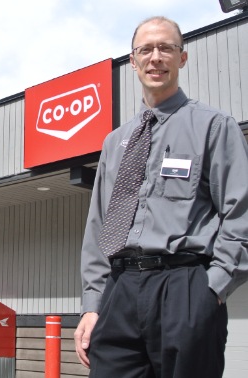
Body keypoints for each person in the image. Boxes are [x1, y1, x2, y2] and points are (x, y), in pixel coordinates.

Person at [74, 16, 248, 378]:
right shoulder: (115, 142)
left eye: (166, 48)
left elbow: (240, 212)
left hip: (184, 288)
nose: (156, 57)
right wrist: (93, 304)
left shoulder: (214, 126)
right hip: (119, 291)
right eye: (146, 49)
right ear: (133, 60)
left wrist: (211, 289)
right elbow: (98, 228)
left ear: (181, 58)